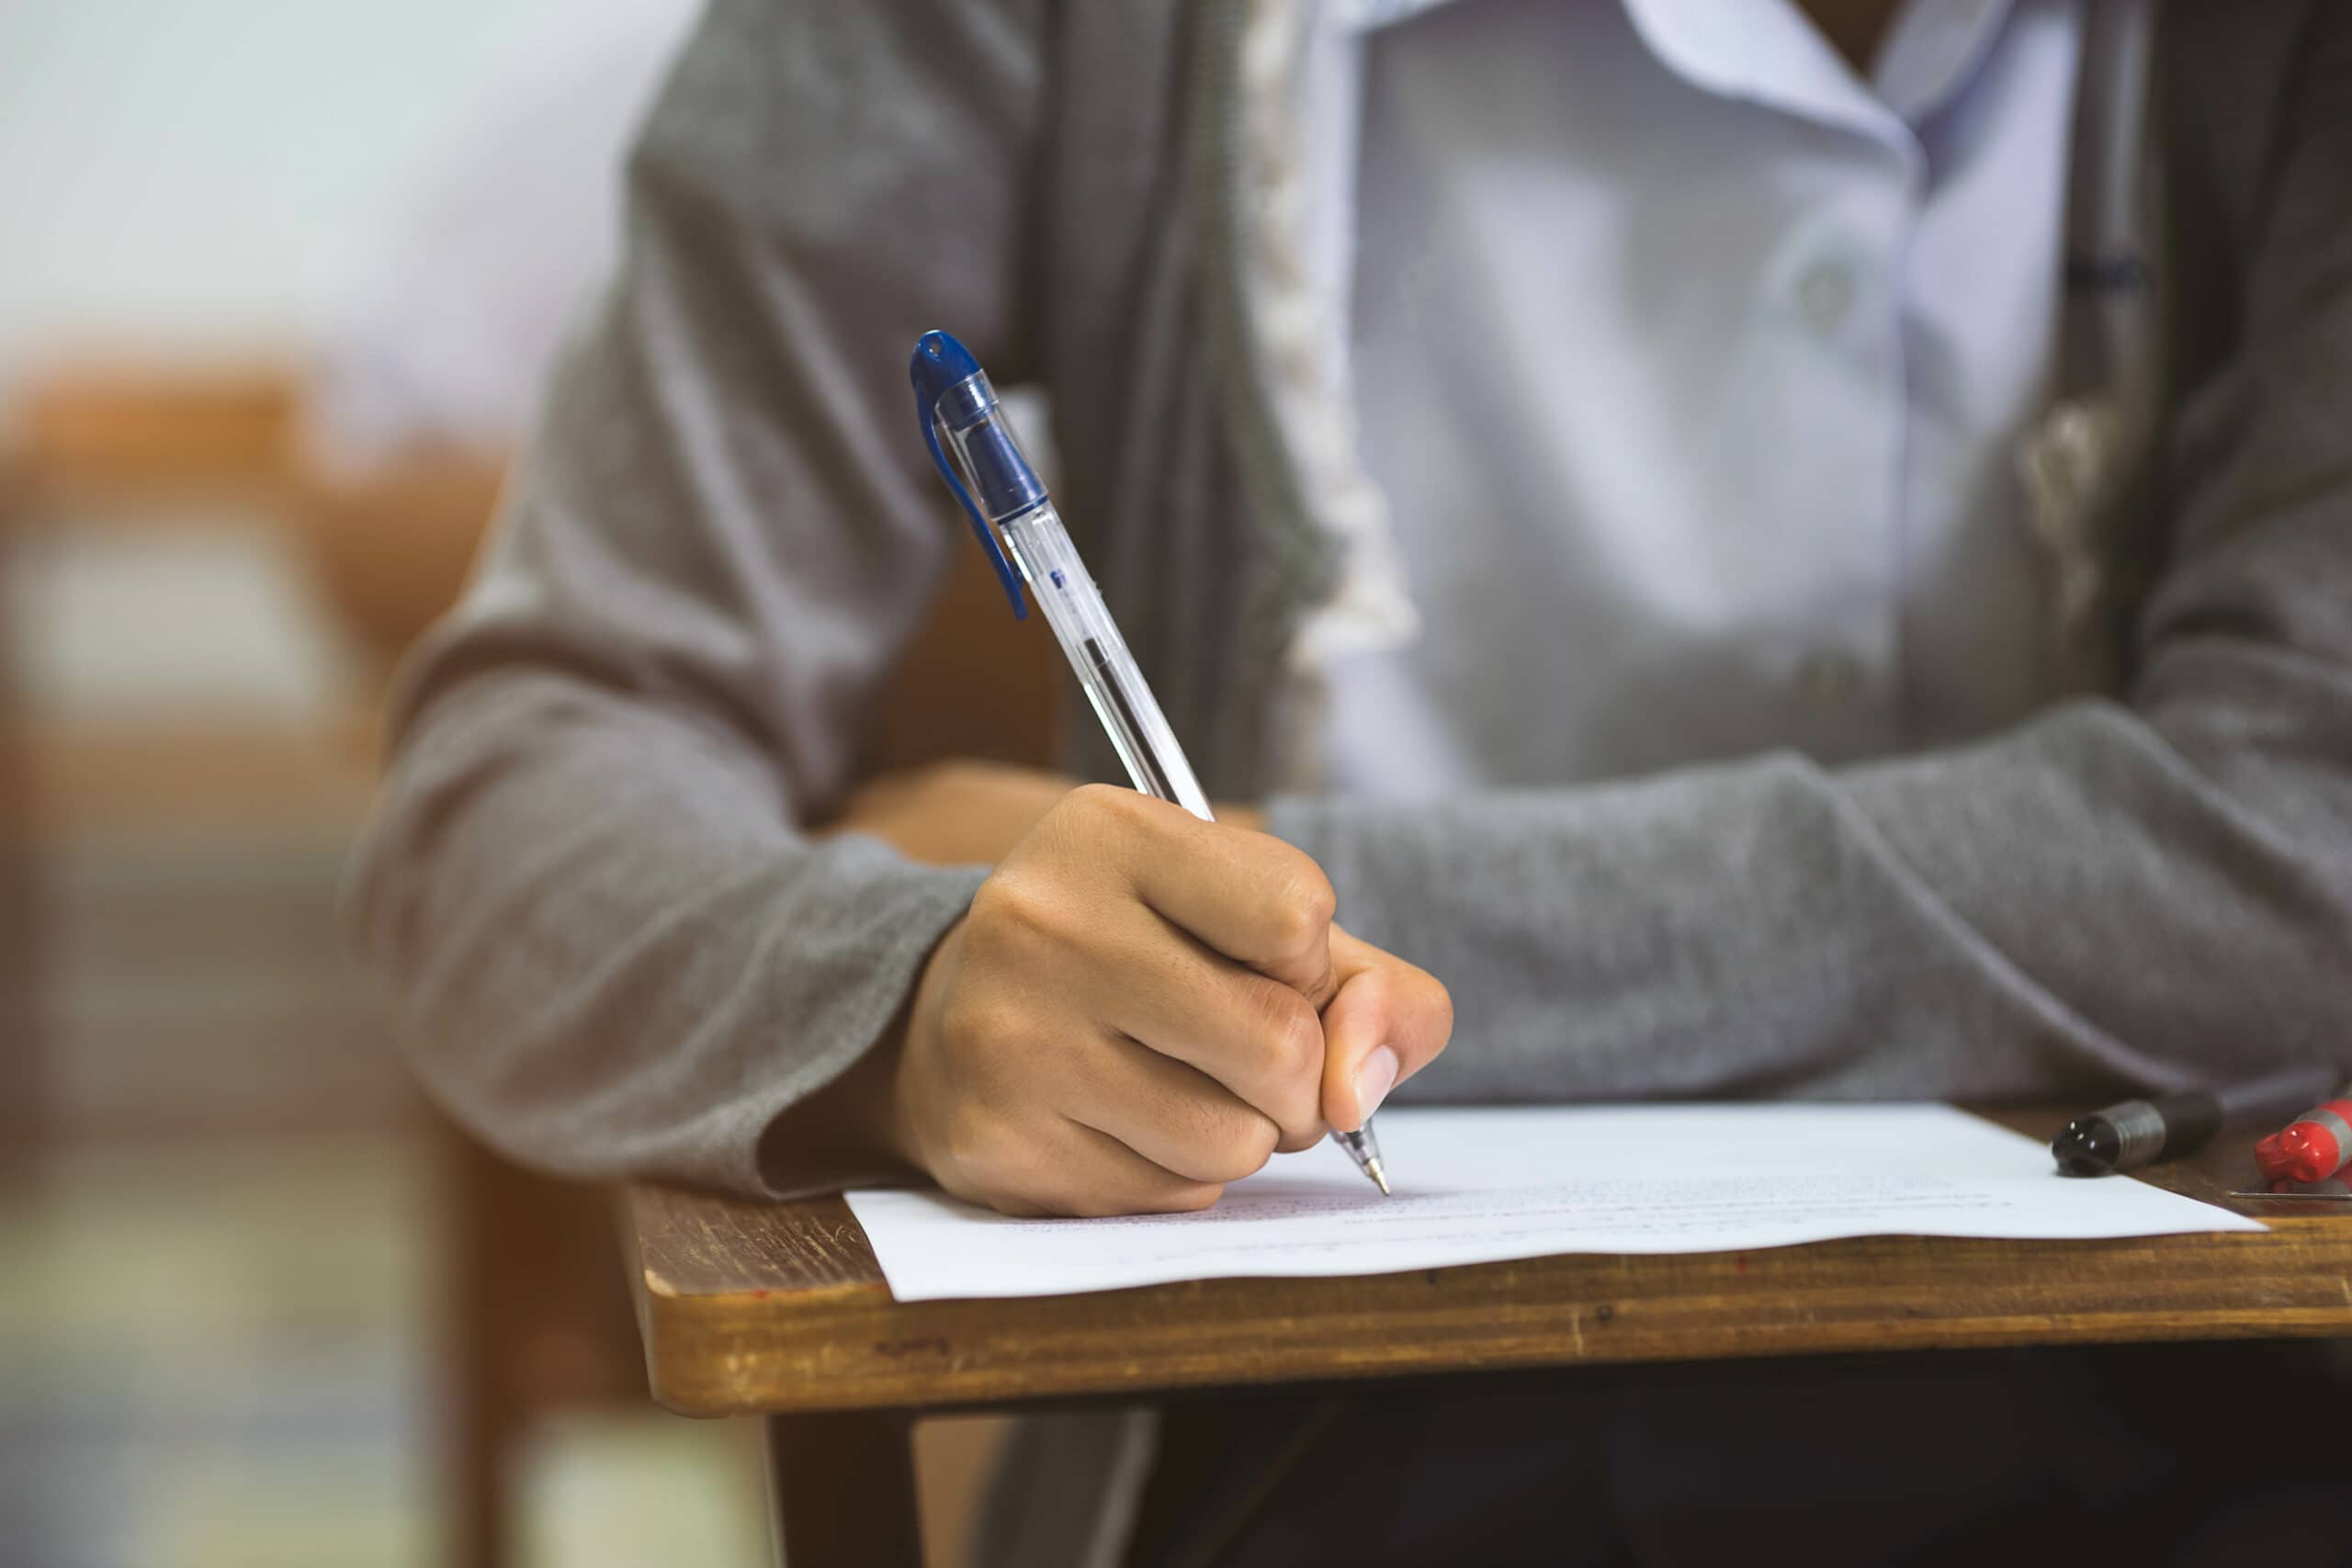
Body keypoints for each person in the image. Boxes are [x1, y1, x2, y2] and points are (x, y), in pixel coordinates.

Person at [347, 1, 2352, 1562]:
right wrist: (904, 989)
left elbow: (2302, 835)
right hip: (1308, 1461)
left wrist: (1312, 914)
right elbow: (509, 800)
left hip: (2227, 1403)